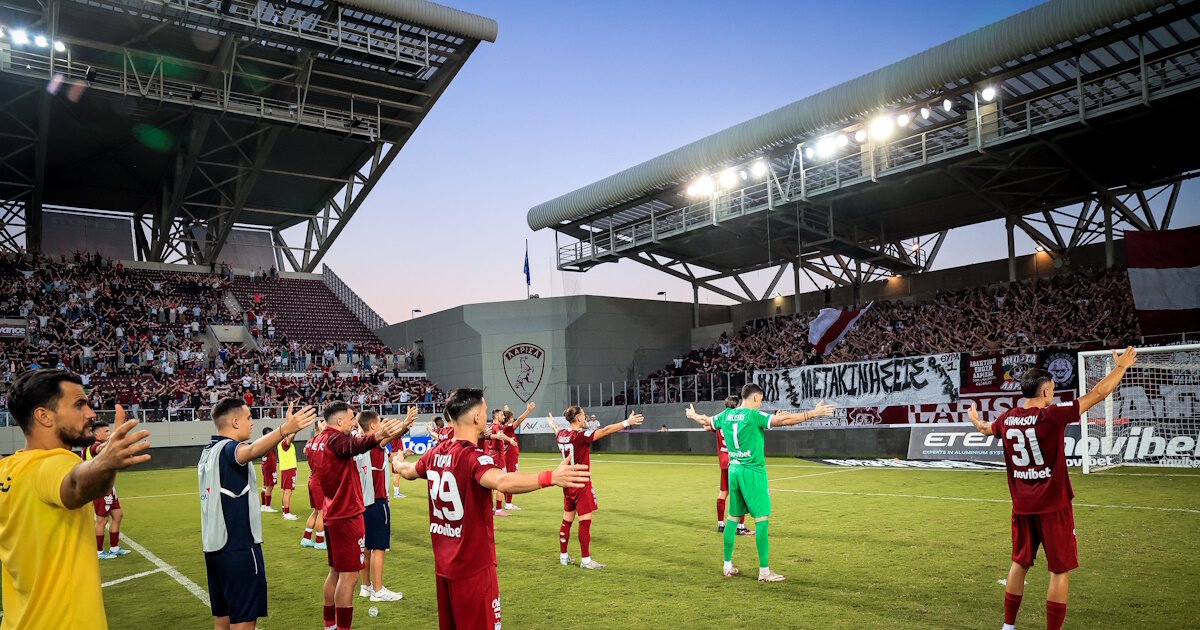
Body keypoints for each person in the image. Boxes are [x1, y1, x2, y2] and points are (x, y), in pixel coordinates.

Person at [965, 347, 1139, 630]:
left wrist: (974, 419)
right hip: (1054, 507)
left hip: (1022, 508)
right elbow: (1098, 394)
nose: (1054, 394)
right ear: (1045, 391)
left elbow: (985, 429)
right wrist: (1120, 367)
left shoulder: (1006, 419)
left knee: (1019, 564)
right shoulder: (1052, 416)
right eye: (1053, 390)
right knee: (1059, 570)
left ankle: (1008, 627)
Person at [394, 388, 590, 630]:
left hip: (443, 570)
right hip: (473, 569)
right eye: (485, 412)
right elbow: (502, 481)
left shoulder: (434, 454)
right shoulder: (473, 457)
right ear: (476, 417)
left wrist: (397, 462)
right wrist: (550, 477)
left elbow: (408, 471)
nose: (487, 418)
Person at [0, 371, 150, 629]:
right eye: (79, 405)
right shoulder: (53, 463)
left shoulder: (7, 469)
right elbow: (76, 485)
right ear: (44, 416)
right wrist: (106, 463)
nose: (90, 414)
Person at [685, 384, 834, 581]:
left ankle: (727, 565)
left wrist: (693, 415)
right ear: (755, 398)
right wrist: (813, 413)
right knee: (761, 519)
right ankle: (764, 572)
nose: (760, 404)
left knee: (732, 518)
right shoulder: (753, 416)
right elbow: (784, 421)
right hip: (753, 472)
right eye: (761, 400)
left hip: (734, 470)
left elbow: (705, 420)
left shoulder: (726, 415)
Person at [199, 399, 316, 630]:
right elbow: (250, 451)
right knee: (244, 619)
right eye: (249, 417)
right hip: (238, 547)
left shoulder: (207, 452)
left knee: (223, 617)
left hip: (214, 548)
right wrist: (284, 430)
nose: (252, 423)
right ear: (235, 422)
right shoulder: (229, 449)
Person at [310, 401, 408, 630]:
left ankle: (329, 624)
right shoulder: (335, 440)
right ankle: (342, 627)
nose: (354, 422)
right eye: (350, 418)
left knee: (335, 572)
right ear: (339, 420)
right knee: (349, 576)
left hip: (331, 510)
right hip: (346, 513)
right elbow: (355, 445)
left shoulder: (316, 441)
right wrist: (378, 436)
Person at [553, 406, 644, 569]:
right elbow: (606, 430)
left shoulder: (561, 435)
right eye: (583, 415)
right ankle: (586, 560)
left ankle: (563, 557)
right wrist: (627, 422)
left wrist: (551, 423)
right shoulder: (580, 437)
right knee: (584, 522)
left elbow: (556, 430)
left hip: (567, 484)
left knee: (567, 520)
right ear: (578, 418)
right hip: (581, 483)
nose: (585, 418)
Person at [355, 409, 415, 603]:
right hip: (376, 501)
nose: (381, 424)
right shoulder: (374, 443)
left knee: (365, 547)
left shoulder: (356, 442)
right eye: (379, 422)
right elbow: (387, 437)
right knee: (378, 548)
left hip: (361, 503)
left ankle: (365, 586)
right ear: (373, 426)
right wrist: (404, 425)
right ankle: (378, 590)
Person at [684, 396, 752, 536]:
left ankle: (721, 524)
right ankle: (740, 527)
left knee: (723, 492)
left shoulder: (721, 421)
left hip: (723, 462)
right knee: (740, 494)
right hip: (736, 461)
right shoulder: (737, 421)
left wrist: (697, 417)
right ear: (737, 406)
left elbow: (706, 426)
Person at [82, 420, 134, 558]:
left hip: (109, 487)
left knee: (118, 515)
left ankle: (114, 548)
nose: (109, 433)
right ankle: (98, 551)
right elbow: (99, 449)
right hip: (100, 488)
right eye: (106, 431)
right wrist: (113, 440)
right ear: (97, 434)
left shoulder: (98, 446)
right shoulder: (94, 446)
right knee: (102, 520)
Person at [499, 402, 535, 511]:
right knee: (511, 479)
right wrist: (528, 410)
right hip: (510, 456)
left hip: (508, 455)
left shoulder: (503, 427)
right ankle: (508, 504)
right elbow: (519, 420)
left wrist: (506, 408)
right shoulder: (508, 428)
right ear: (509, 419)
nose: (513, 419)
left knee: (508, 478)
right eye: (512, 417)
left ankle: (507, 502)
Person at [302, 418, 328, 550]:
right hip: (320, 481)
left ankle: (306, 538)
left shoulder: (309, 442)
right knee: (322, 512)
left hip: (312, 478)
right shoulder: (324, 441)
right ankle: (319, 541)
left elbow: (305, 451)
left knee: (316, 511)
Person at [277, 430, 298, 520]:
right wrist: (296, 429)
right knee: (288, 492)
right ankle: (286, 513)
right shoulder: (284, 443)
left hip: (286, 469)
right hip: (289, 469)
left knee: (285, 491)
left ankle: (284, 511)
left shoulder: (281, 443)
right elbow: (290, 438)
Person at [259, 427, 278, 513]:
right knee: (270, 486)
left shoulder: (263, 442)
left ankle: (263, 505)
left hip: (265, 465)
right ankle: (267, 506)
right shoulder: (267, 442)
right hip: (269, 466)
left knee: (265, 485)